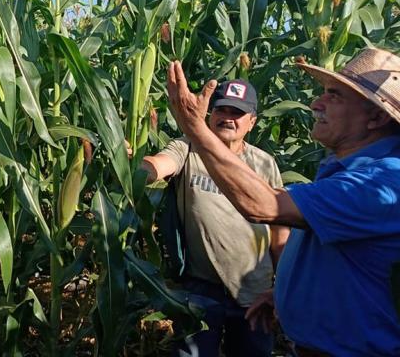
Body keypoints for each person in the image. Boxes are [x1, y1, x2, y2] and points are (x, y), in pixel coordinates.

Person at [165, 47, 400, 356]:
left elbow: (263, 205)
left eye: (334, 96)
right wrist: (286, 292)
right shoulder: (349, 172)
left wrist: (194, 126)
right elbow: (344, 259)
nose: (316, 103)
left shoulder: (382, 182)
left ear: (377, 116)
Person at [138, 80, 289, 357]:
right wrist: (134, 163)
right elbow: (157, 166)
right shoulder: (188, 148)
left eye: (237, 113)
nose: (228, 118)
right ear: (210, 114)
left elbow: (279, 229)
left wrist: (282, 286)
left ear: (252, 122)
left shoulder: (264, 163)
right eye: (222, 110)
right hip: (200, 288)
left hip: (254, 290)